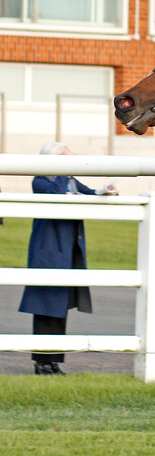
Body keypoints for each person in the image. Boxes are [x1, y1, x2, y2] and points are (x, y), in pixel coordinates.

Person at [17, 142, 118, 375]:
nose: (72, 158)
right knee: (45, 306)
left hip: (68, 249)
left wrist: (105, 190)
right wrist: (64, 169)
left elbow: (89, 193)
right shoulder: (42, 180)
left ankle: (55, 361)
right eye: (66, 156)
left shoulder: (68, 178)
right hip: (48, 250)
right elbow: (57, 196)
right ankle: (41, 362)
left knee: (60, 306)